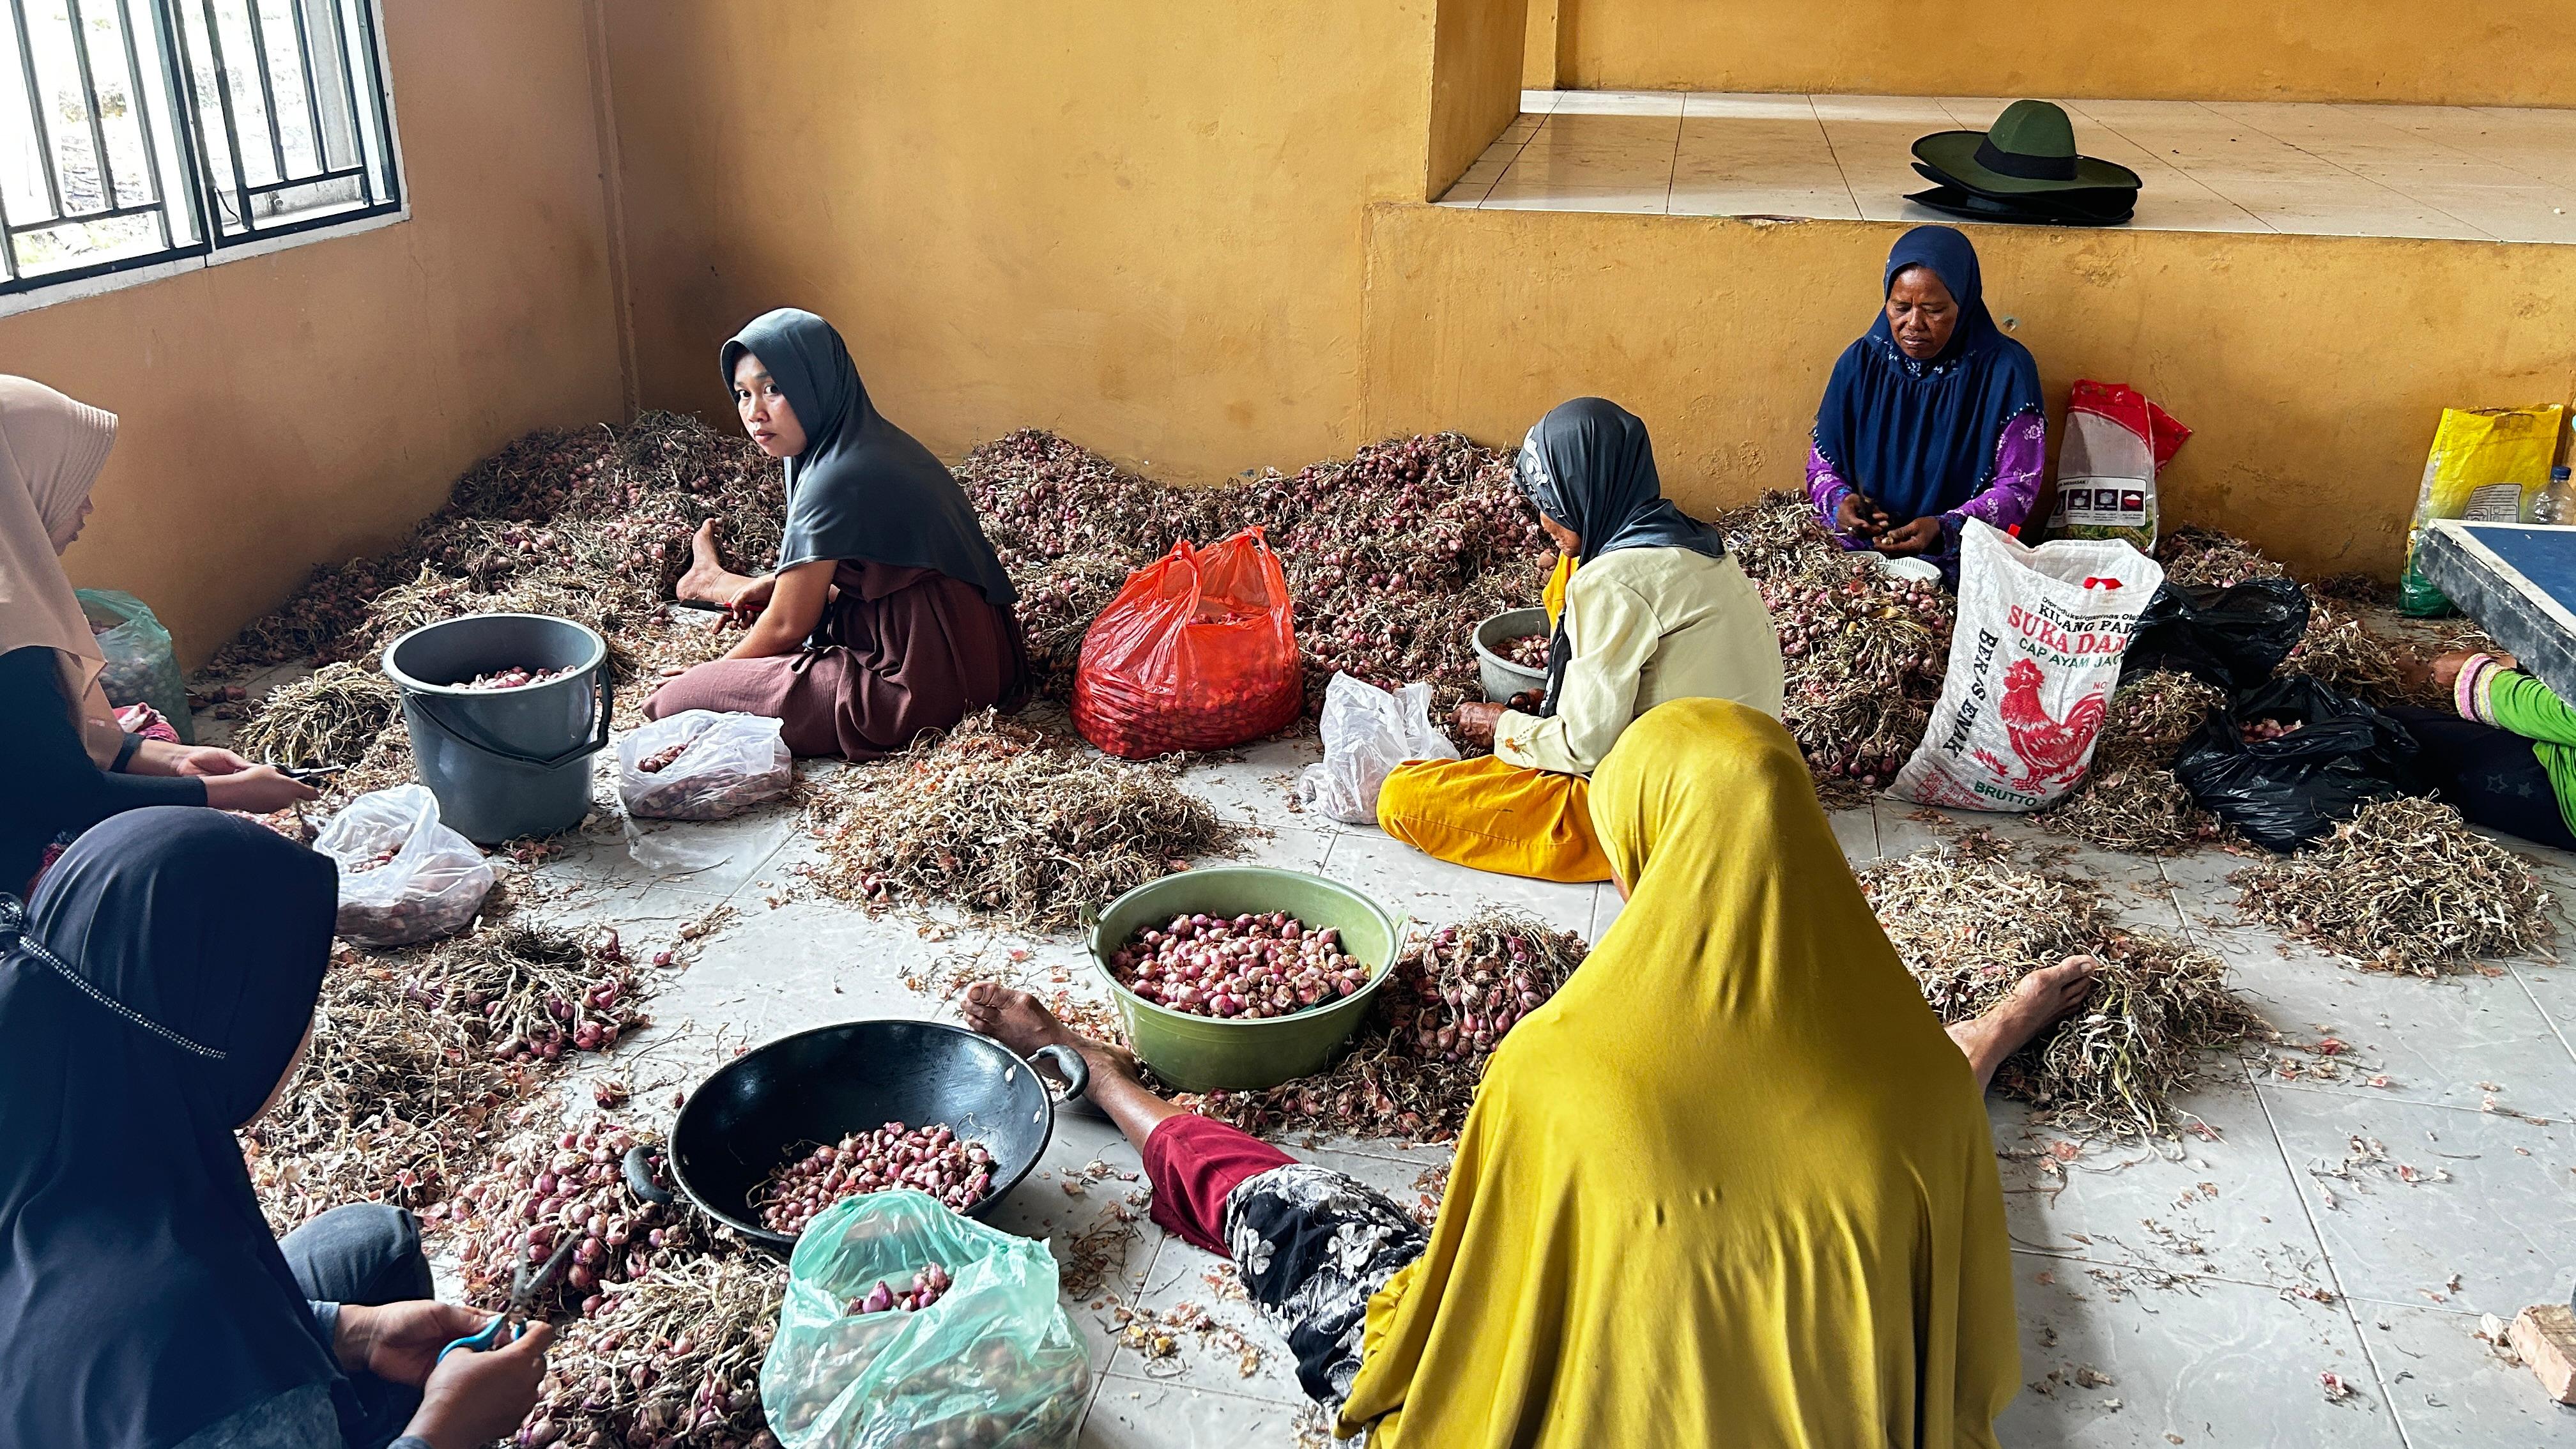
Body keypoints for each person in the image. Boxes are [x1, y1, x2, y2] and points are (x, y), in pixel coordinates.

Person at [970, 699, 2099, 1444]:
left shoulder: (1557, 1068)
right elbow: (1938, 1125)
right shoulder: (1909, 1075)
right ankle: (1101, 1071)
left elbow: (1473, 1291)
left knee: (1298, 1211)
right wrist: (1993, 1028)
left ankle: (1104, 1076)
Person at [0, 809, 553, 1449]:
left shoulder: (54, 1058)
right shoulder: (191, 1315)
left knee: (372, 1242)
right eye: (294, 996)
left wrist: (348, 1332)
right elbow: (187, 1351)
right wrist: (446, 1432)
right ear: (226, 1032)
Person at [1376, 397, 1783, 883]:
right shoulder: (1694, 542)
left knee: (1403, 797)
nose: (1544, 524)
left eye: (1552, 505)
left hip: (1669, 816)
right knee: (1570, 565)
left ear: (1588, 490)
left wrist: (1502, 724)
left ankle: (1616, 850)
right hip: (1758, 789)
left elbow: (1583, 750)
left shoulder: (1612, 581)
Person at [650, 309, 1031, 758]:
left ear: (817, 384)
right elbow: (873, 566)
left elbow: (791, 624)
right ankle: (713, 584)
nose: (754, 413)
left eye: (773, 389)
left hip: (922, 684)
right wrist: (777, 587)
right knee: (785, 602)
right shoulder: (863, 439)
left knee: (672, 702)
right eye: (742, 394)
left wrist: (710, 674)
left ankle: (712, 585)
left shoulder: (834, 475)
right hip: (982, 654)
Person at [0, 376, 314, 894]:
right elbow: (67, 796)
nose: (87, 508)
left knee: (157, 737)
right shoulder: (11, 634)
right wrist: (226, 795)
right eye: (71, 485)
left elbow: (33, 743)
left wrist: (173, 762)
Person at [1808, 226, 2045, 586]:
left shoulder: (2005, 373)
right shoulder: (1861, 363)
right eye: (1900, 307)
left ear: (1963, 304)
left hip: (1960, 562)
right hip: (1861, 558)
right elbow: (1822, 466)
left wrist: (1946, 527)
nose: (1913, 325)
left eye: (1933, 310)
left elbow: (2018, 487)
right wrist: (1841, 504)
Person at [2386, 650, 2576, 850]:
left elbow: (2568, 711)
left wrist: (2477, 675)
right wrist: (2522, 663)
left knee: (2396, 734)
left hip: (2562, 788)